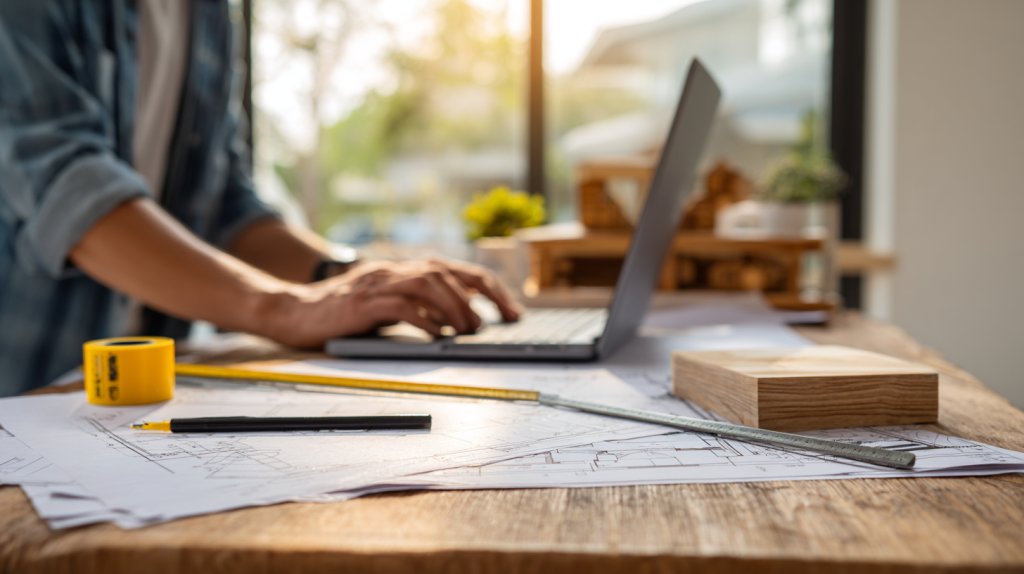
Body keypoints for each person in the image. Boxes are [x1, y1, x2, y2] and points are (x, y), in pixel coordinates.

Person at [0, 1, 519, 397]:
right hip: (28, 398)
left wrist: (350, 279)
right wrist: (285, 309)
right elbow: (62, 182)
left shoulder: (208, 13)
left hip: (152, 400)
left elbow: (224, 203)